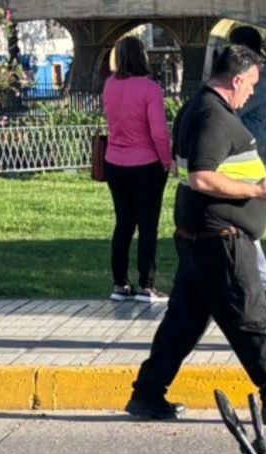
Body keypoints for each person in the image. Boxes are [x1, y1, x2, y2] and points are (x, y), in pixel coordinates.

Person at [125, 45, 266, 426]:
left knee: (182, 324)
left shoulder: (201, 108)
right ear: (235, 79)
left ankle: (147, 394)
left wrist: (256, 182)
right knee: (250, 320)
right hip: (221, 241)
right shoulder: (211, 114)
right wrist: (256, 191)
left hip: (203, 237)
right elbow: (202, 176)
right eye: (250, 83)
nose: (252, 91)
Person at [102, 36, 171, 303]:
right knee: (148, 225)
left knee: (123, 224)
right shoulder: (149, 88)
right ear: (142, 56)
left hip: (115, 162)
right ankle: (147, 284)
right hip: (146, 164)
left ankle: (120, 282)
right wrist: (165, 160)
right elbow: (158, 132)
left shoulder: (109, 86)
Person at [228, 25, 266, 301]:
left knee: (243, 220)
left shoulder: (255, 81)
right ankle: (258, 278)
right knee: (238, 219)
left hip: (244, 160)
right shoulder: (264, 77)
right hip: (251, 155)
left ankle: (265, 279)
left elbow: (229, 110)